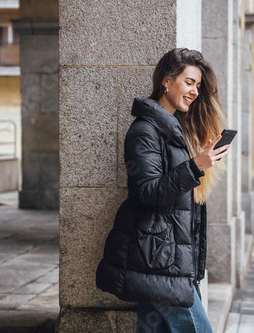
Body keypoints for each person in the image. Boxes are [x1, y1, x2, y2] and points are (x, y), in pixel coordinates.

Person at [96, 48, 229, 332]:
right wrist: (195, 166)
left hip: (164, 256)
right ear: (167, 81)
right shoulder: (144, 131)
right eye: (189, 82)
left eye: (198, 85)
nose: (194, 91)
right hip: (159, 257)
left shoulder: (175, 129)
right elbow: (145, 192)